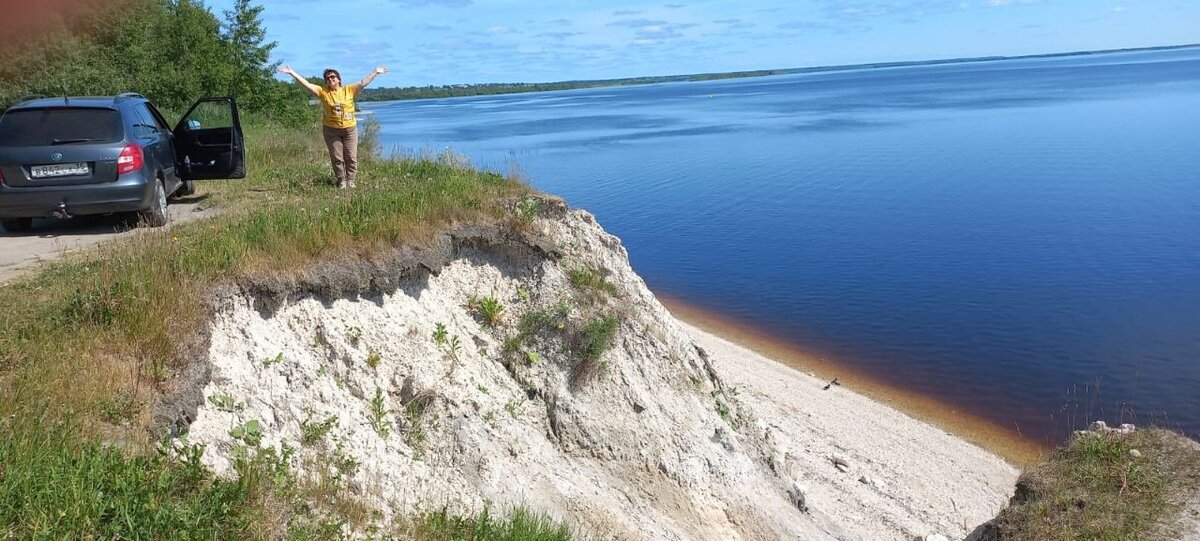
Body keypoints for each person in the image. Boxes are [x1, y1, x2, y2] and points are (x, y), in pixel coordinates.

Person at [278, 64, 388, 188]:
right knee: (337, 157)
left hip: (349, 130)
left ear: (339, 79)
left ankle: (351, 180)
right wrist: (291, 72)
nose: (330, 79)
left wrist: (375, 72)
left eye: (333, 77)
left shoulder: (349, 90)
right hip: (331, 131)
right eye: (327, 78)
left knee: (351, 156)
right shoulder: (323, 92)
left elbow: (363, 83)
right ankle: (341, 181)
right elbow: (306, 84)